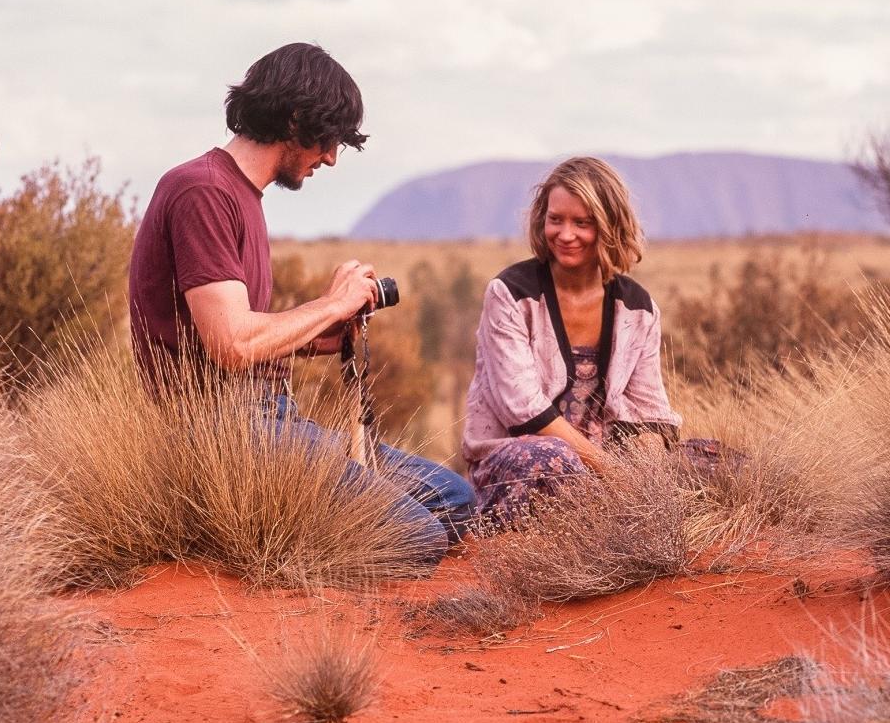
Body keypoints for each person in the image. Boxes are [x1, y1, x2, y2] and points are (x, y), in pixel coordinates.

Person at [128, 42, 477, 569]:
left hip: (272, 420)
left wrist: (329, 337)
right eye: (329, 137)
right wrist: (333, 303)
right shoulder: (202, 191)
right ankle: (270, 552)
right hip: (223, 431)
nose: (332, 157)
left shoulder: (242, 194)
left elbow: (241, 333)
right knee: (418, 538)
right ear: (295, 119)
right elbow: (232, 344)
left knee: (455, 500)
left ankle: (309, 521)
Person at [462, 156, 680, 521]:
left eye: (582, 223)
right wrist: (614, 475)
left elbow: (650, 411)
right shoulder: (510, 294)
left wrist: (648, 466)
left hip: (605, 459)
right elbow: (524, 411)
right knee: (552, 462)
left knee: (712, 460)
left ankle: (617, 521)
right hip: (523, 456)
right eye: (555, 219)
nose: (565, 235)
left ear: (610, 226)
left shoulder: (638, 309)